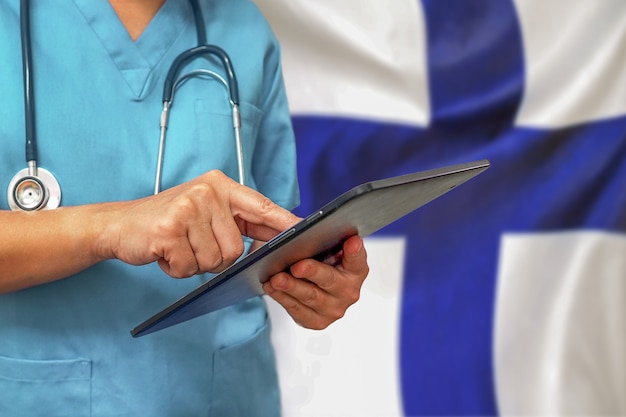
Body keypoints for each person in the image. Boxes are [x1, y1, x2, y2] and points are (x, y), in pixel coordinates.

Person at [0, 1, 369, 416]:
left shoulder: (244, 29)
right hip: (41, 398)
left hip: (221, 395)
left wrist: (311, 282)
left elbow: (265, 242)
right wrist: (111, 227)